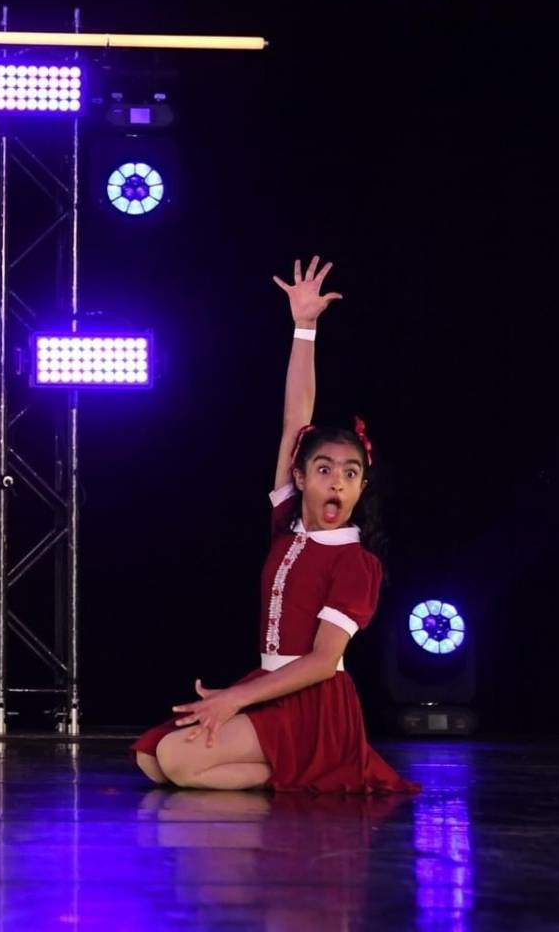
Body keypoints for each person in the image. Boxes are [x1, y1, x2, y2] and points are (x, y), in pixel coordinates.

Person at [131, 257, 414, 794]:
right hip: (269, 686)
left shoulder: (357, 562)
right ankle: (304, 775)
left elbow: (323, 661)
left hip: (313, 701)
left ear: (360, 489)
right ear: (301, 477)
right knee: (152, 759)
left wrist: (234, 698)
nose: (336, 482)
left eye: (349, 474)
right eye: (324, 469)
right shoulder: (287, 523)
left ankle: (320, 766)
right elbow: (295, 418)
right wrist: (303, 326)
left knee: (177, 759)